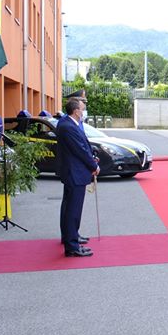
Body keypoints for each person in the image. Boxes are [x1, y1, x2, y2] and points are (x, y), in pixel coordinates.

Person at [56, 97, 99, 257]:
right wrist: (94, 166)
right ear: (76, 111)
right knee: (72, 209)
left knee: (69, 207)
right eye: (82, 108)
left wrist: (93, 155)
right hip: (75, 173)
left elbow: (84, 145)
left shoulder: (69, 123)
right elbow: (79, 150)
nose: (84, 111)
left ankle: (71, 235)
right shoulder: (68, 126)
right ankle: (72, 246)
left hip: (72, 172)